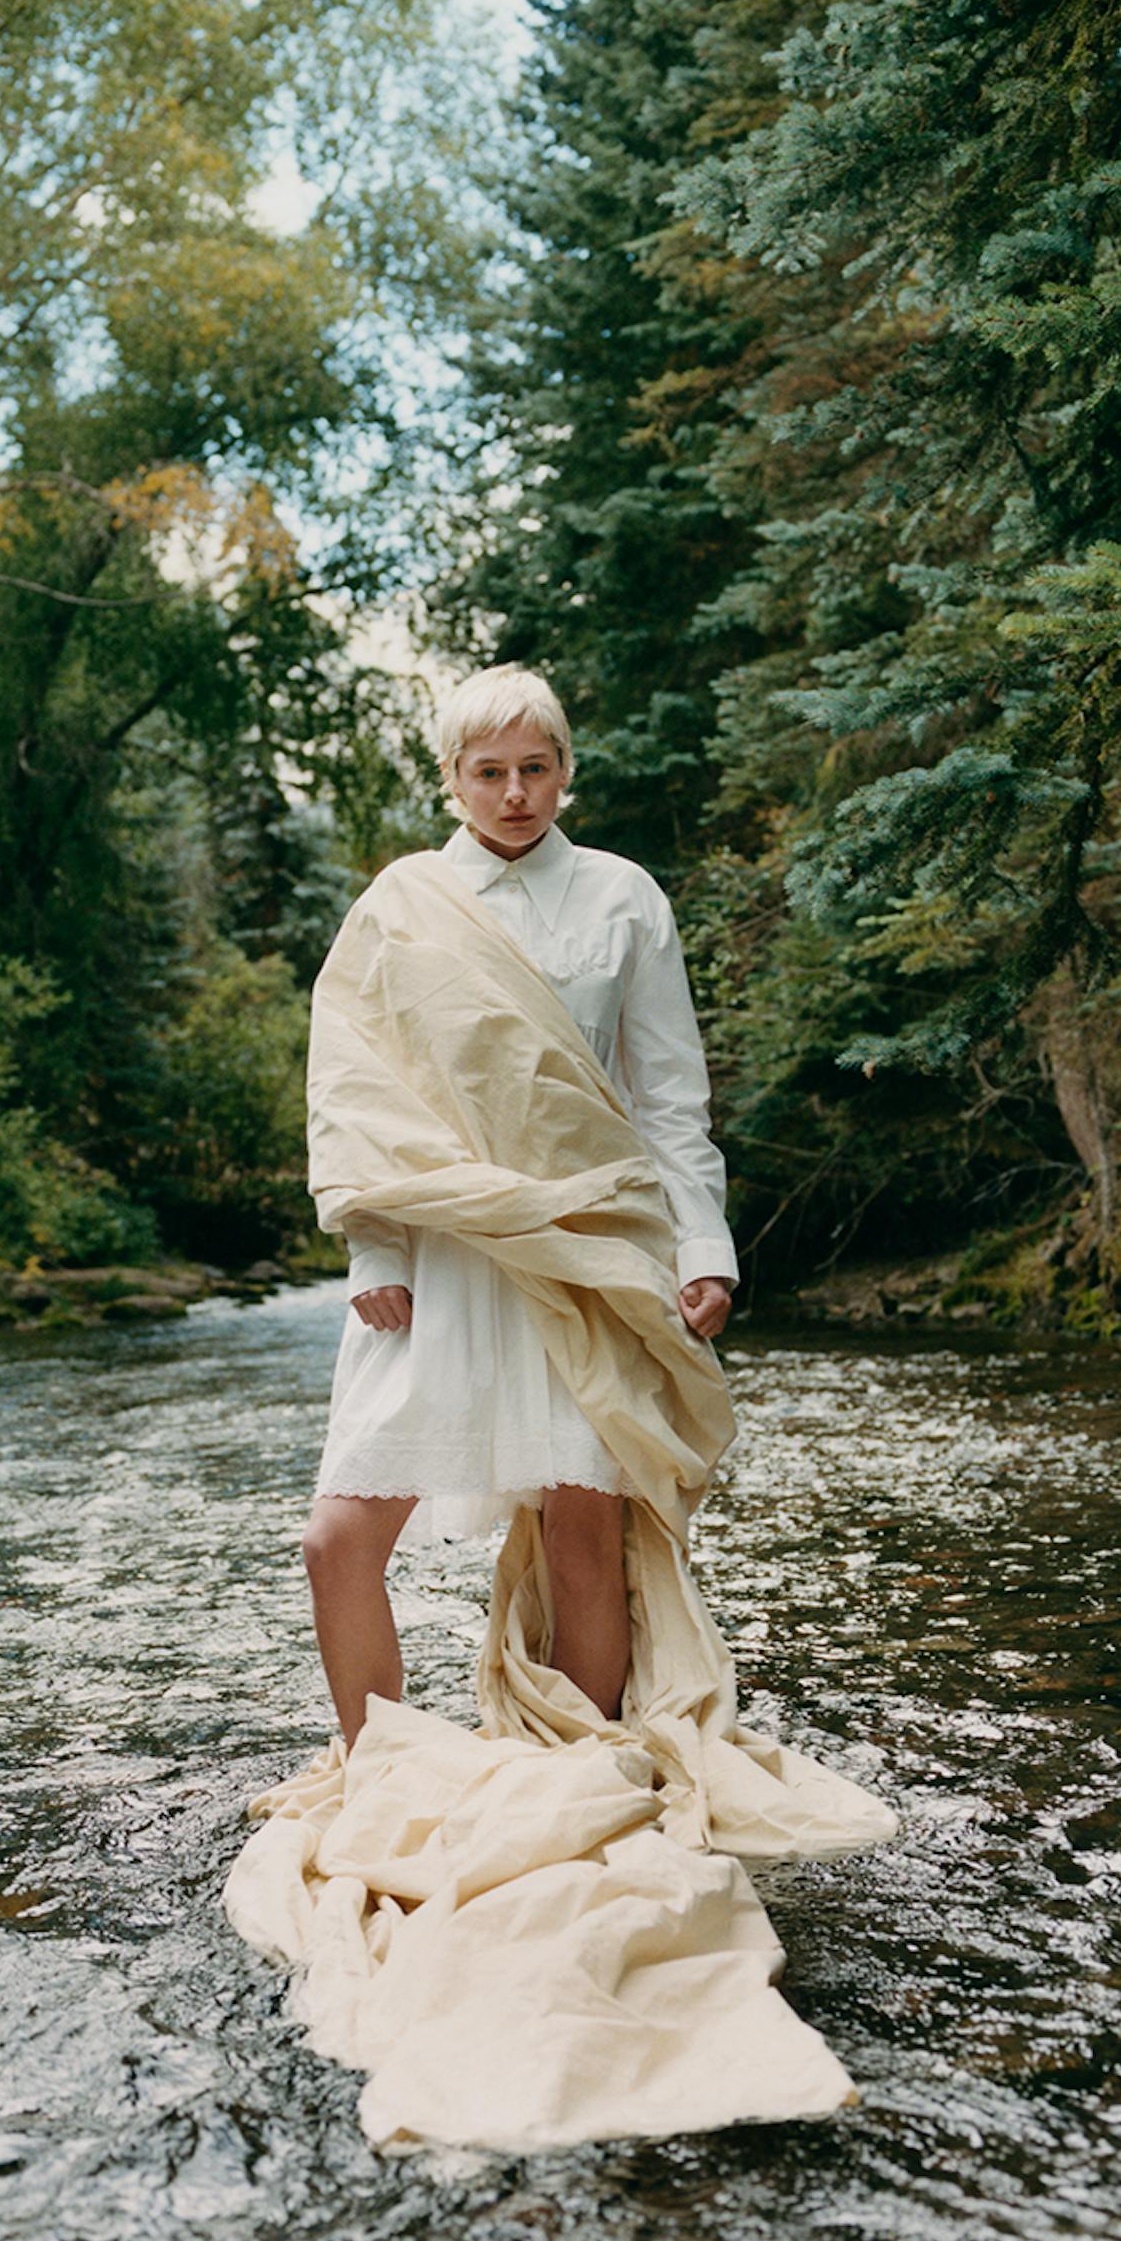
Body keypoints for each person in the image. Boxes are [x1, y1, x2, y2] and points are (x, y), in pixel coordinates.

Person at [299, 664, 739, 1748]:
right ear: (450, 776)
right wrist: (373, 1253)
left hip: (588, 1244)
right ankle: (376, 1776)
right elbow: (358, 1086)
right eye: (487, 771)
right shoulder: (399, 904)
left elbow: (669, 1093)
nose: (512, 794)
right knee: (336, 1538)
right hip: (439, 1248)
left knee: (582, 1534)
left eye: (533, 768)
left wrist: (704, 1243)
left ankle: (579, 1784)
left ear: (563, 771)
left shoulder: (623, 895)